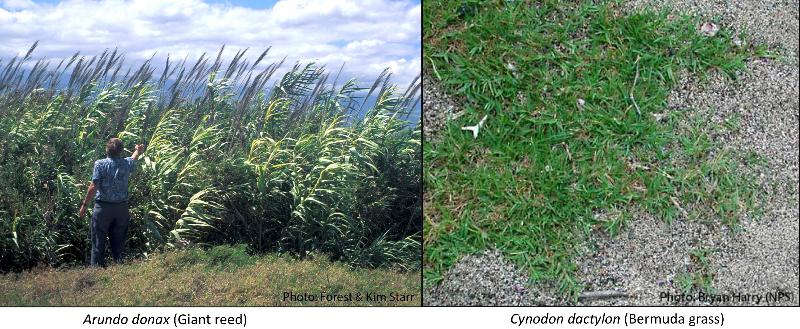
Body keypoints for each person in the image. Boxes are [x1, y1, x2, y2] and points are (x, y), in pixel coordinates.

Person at [78, 138, 145, 267]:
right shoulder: (126, 163)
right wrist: (138, 150)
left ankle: (96, 271)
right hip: (121, 209)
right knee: (118, 242)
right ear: (120, 151)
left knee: (98, 242)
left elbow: (93, 186)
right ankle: (119, 270)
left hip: (103, 208)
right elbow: (133, 158)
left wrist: (84, 205)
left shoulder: (100, 164)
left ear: (107, 150)